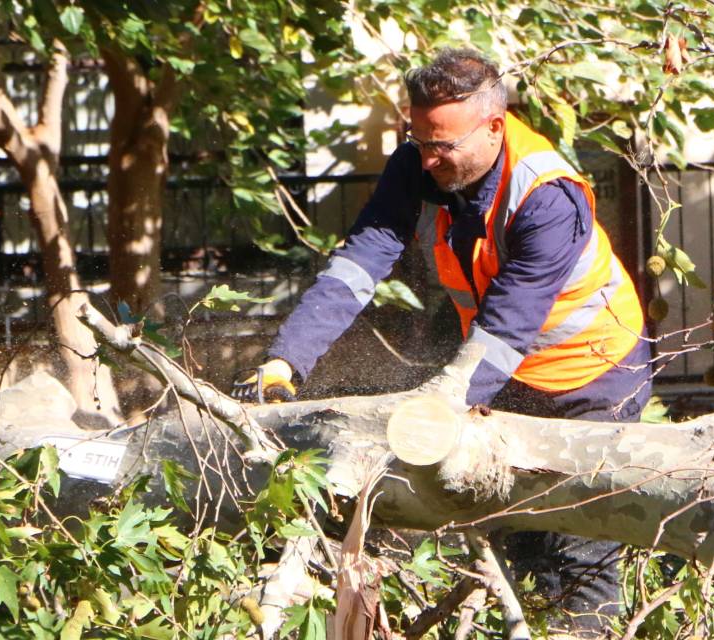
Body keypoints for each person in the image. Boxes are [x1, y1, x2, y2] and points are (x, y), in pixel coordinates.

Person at [231, 47, 652, 637]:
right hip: (512, 376)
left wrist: (437, 413)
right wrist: (286, 359)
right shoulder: (422, 162)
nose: (427, 159)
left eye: (443, 146)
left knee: (581, 549)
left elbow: (506, 329)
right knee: (514, 535)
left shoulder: (548, 197)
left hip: (595, 379)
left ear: (494, 128)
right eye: (419, 140)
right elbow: (359, 264)